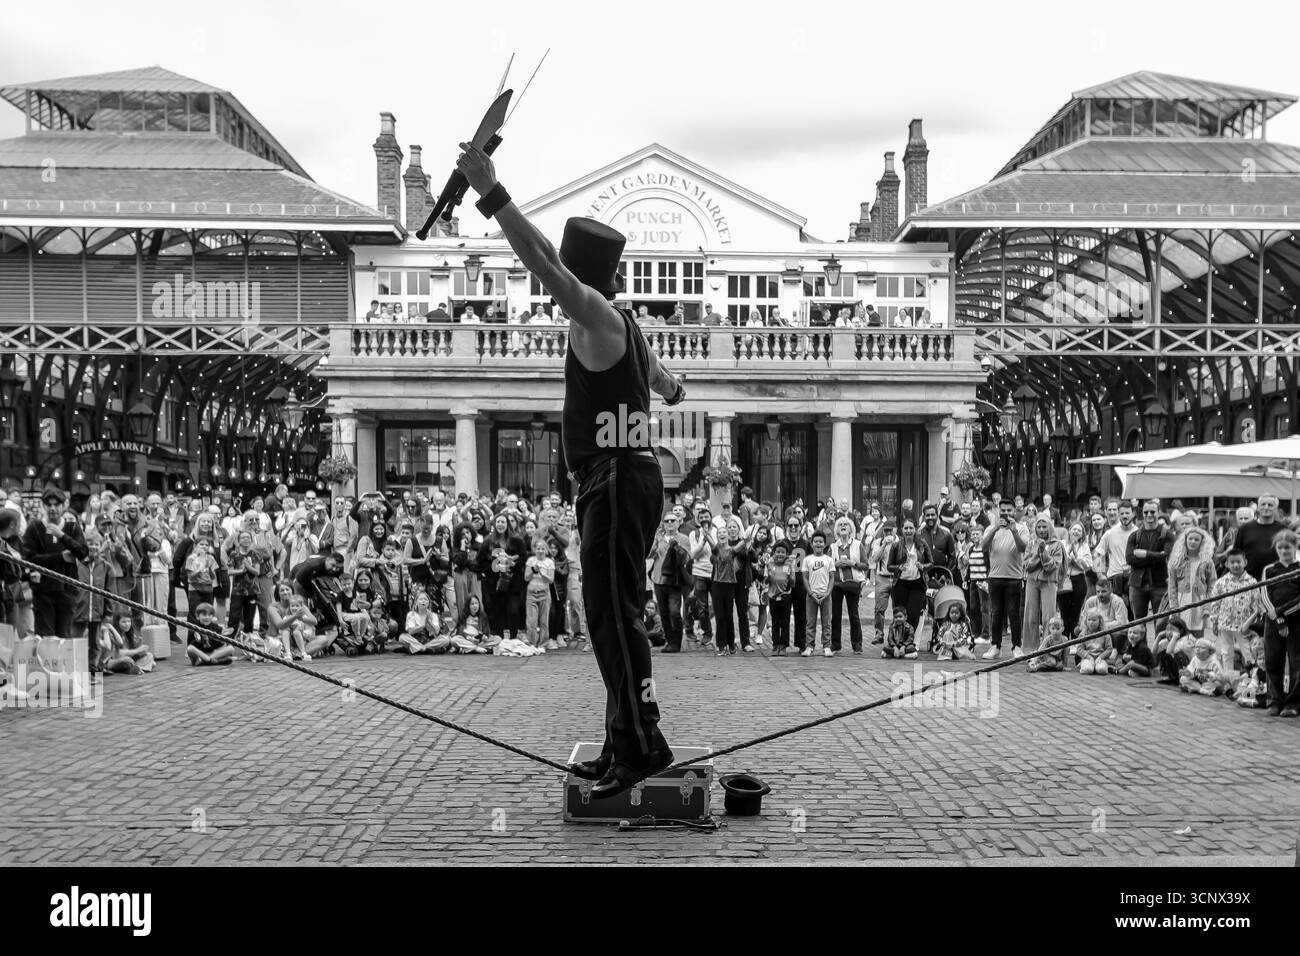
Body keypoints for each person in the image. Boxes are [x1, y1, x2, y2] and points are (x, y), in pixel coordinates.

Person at [457, 140, 687, 795]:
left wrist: (491, 190)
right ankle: (624, 744)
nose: (559, 289)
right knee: (611, 612)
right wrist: (671, 391)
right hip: (619, 479)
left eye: (568, 277)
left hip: (614, 479)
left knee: (614, 617)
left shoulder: (594, 314)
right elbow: (662, 378)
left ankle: (643, 744)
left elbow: (541, 260)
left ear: (582, 276)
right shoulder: (625, 327)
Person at [21, 489, 88, 639]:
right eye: (49, 505)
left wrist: (62, 536)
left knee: (64, 636)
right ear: (43, 506)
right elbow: (28, 558)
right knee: (46, 637)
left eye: (56, 505)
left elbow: (83, 552)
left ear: (64, 506)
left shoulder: (72, 527)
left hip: (67, 589)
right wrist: (59, 557)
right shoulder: (34, 528)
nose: (52, 509)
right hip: (43, 590)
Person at [1258, 529, 1300, 717]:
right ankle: (1274, 700)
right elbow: (1264, 595)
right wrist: (1278, 619)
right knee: (1273, 660)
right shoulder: (1270, 569)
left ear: (1295, 547)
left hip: (1296, 622)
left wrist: (1284, 615)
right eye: (1280, 548)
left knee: (1296, 662)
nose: (1284, 551)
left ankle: (1293, 703)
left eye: (1287, 547)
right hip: (1273, 622)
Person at [1207, 549, 1261, 673]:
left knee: (1247, 649)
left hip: (1244, 624)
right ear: (1227, 564)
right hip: (1225, 622)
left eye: (1238, 562)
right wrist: (1214, 621)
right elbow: (1215, 603)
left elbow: (1256, 603)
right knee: (1226, 651)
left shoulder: (1252, 582)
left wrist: (1254, 622)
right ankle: (1228, 675)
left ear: (1245, 562)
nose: (1236, 565)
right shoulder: (1221, 583)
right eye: (1232, 562)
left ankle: (1253, 674)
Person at [1127, 500, 1173, 635]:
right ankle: (1141, 654)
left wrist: (1144, 554)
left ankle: (1159, 653)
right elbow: (1130, 559)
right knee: (1138, 625)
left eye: (1152, 512)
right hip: (1137, 585)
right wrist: (1157, 556)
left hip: (1160, 584)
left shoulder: (1167, 534)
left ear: (1159, 512)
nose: (1149, 515)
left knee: (1161, 624)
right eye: (1145, 512)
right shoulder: (1135, 535)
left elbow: (1168, 555)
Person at [1022, 515, 1064, 653]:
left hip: (1049, 582)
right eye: (1038, 527)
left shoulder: (1057, 544)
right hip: (1032, 582)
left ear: (1050, 527)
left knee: (1048, 617)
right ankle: (1030, 649)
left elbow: (1052, 566)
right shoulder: (1031, 543)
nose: (1041, 530)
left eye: (1044, 527)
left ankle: (1048, 648)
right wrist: (1038, 553)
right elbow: (1026, 565)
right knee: (1030, 616)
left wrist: (1043, 553)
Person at [1167, 526, 1217, 637]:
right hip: (1181, 600)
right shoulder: (1177, 560)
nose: (1193, 542)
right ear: (1185, 540)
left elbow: (1212, 585)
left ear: (1202, 542)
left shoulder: (1207, 561)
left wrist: (1207, 605)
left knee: (1198, 632)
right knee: (1180, 632)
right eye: (1190, 539)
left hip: (1200, 601)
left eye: (1196, 539)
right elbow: (1172, 586)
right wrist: (1174, 607)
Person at [828, 516, 868, 654]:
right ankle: (835, 644)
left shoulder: (857, 545)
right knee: (836, 614)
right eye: (840, 525)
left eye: (846, 524)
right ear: (837, 530)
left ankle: (857, 644)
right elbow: (827, 565)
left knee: (854, 614)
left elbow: (866, 565)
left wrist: (853, 563)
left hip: (853, 584)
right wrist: (835, 564)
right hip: (837, 584)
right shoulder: (833, 547)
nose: (843, 526)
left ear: (851, 529)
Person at [801, 531, 836, 657]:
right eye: (816, 542)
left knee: (827, 622)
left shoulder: (829, 560)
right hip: (811, 596)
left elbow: (832, 578)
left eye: (821, 542)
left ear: (825, 544)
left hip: (825, 596)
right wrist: (810, 593)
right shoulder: (807, 560)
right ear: (811, 544)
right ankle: (809, 646)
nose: (818, 544)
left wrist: (827, 593)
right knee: (810, 622)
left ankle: (826, 646)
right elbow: (805, 578)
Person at [1237, 495, 1286, 580]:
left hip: (1276, 580)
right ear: (1258, 507)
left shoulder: (1283, 529)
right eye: (1263, 504)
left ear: (1276, 508)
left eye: (1270, 505)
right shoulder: (1244, 529)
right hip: (1248, 580)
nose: (1266, 507)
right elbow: (1237, 553)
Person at [764, 540, 796, 656]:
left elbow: (793, 583)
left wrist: (790, 573)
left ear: (786, 554)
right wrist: (768, 576)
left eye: (783, 552)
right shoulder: (770, 565)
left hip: (786, 596)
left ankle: (783, 646)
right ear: (774, 553)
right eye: (778, 552)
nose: (780, 554)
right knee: (775, 622)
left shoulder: (789, 565)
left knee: (785, 622)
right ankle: (775, 645)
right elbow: (766, 581)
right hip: (773, 597)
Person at [524, 536, 555, 649]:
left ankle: (543, 644)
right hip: (532, 593)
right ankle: (532, 643)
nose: (540, 551)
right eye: (538, 548)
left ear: (546, 550)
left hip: (544, 593)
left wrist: (541, 572)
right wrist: (533, 570)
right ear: (535, 550)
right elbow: (526, 578)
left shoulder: (549, 562)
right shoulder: (531, 561)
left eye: (542, 549)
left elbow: (551, 580)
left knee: (544, 621)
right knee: (531, 622)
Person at [1076, 610, 1112, 675]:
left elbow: (1109, 649)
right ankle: (1084, 665)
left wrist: (1101, 657)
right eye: (1089, 619)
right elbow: (1079, 649)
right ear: (1085, 620)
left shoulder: (1105, 634)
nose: (1091, 622)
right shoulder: (1083, 634)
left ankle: (1097, 667)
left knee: (1102, 670)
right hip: (1087, 658)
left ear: (1100, 621)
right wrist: (1088, 657)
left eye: (1094, 620)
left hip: (1100, 658)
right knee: (1088, 670)